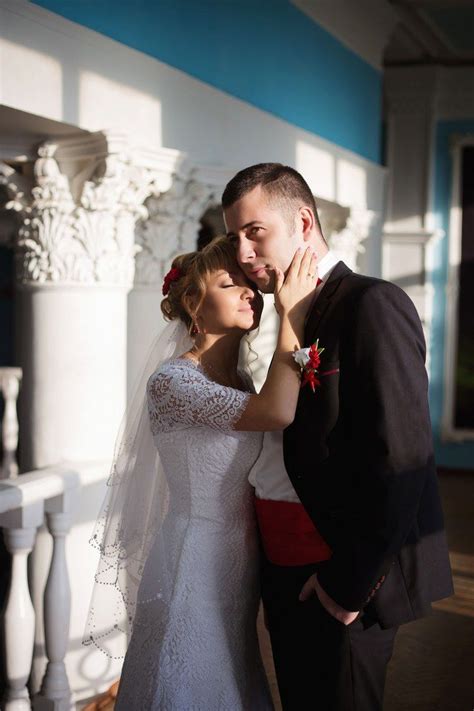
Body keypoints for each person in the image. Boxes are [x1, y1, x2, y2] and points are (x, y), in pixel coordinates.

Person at [222, 163, 454, 711]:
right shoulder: (281, 312)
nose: (243, 253)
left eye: (255, 232)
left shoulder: (371, 303)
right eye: (234, 239)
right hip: (287, 570)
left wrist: (346, 588)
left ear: (303, 222)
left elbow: (404, 456)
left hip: (345, 579)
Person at [83, 236, 319, 709]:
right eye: (230, 284)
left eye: (248, 284)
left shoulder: (241, 382)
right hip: (192, 559)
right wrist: (291, 316)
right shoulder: (173, 382)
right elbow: (276, 412)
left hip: (241, 560)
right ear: (194, 304)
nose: (250, 292)